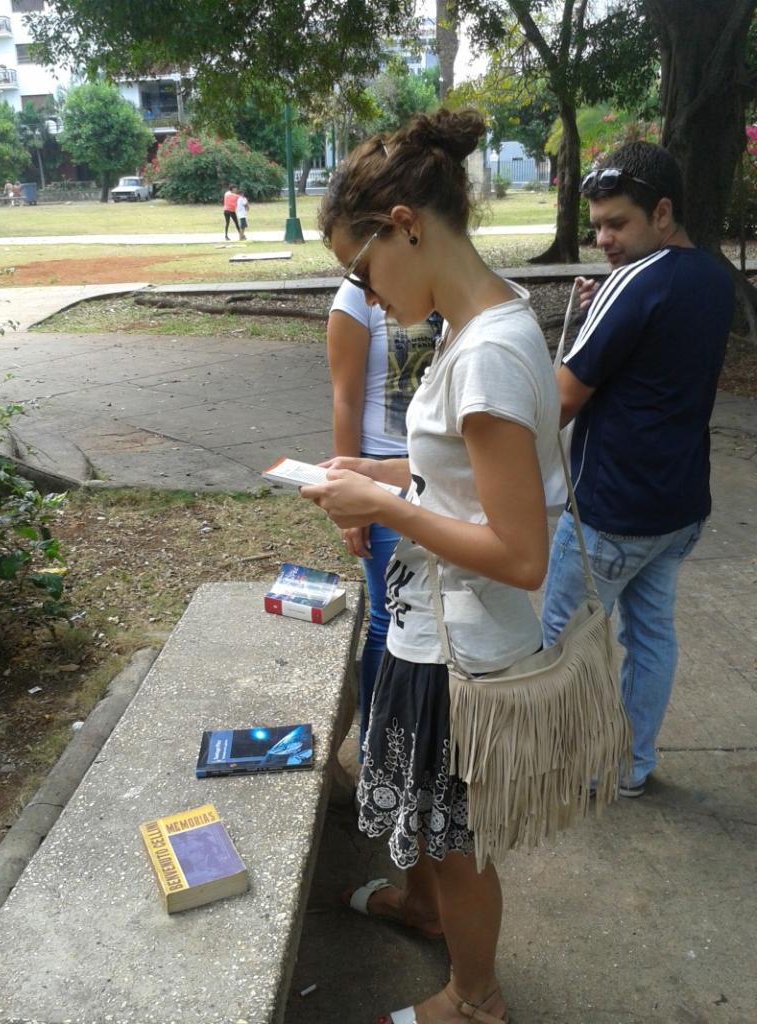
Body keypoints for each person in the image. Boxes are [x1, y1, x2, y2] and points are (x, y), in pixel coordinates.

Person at [301, 109, 559, 1024]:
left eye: (361, 270)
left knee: (454, 841)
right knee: (436, 828)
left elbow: (523, 554)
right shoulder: (479, 324)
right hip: (432, 629)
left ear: (406, 223)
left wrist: (384, 506)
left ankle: (474, 997)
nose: (365, 298)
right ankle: (420, 910)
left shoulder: (485, 354)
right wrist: (372, 472)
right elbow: (461, 478)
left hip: (461, 647)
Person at [541, 142, 734, 798]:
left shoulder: (634, 283)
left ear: (662, 211)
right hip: (678, 508)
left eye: (617, 223)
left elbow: (560, 399)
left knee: (557, 644)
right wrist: (607, 305)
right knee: (650, 637)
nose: (603, 239)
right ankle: (630, 769)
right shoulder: (710, 277)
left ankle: (538, 763)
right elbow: (656, 350)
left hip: (612, 512)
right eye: (596, 225)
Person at [327, 280, 440, 755]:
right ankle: (379, 747)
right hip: (380, 469)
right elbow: (345, 399)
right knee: (388, 618)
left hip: (437, 466)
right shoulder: (356, 298)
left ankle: (418, 743)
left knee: (430, 618)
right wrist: (353, 503)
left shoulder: (439, 282)